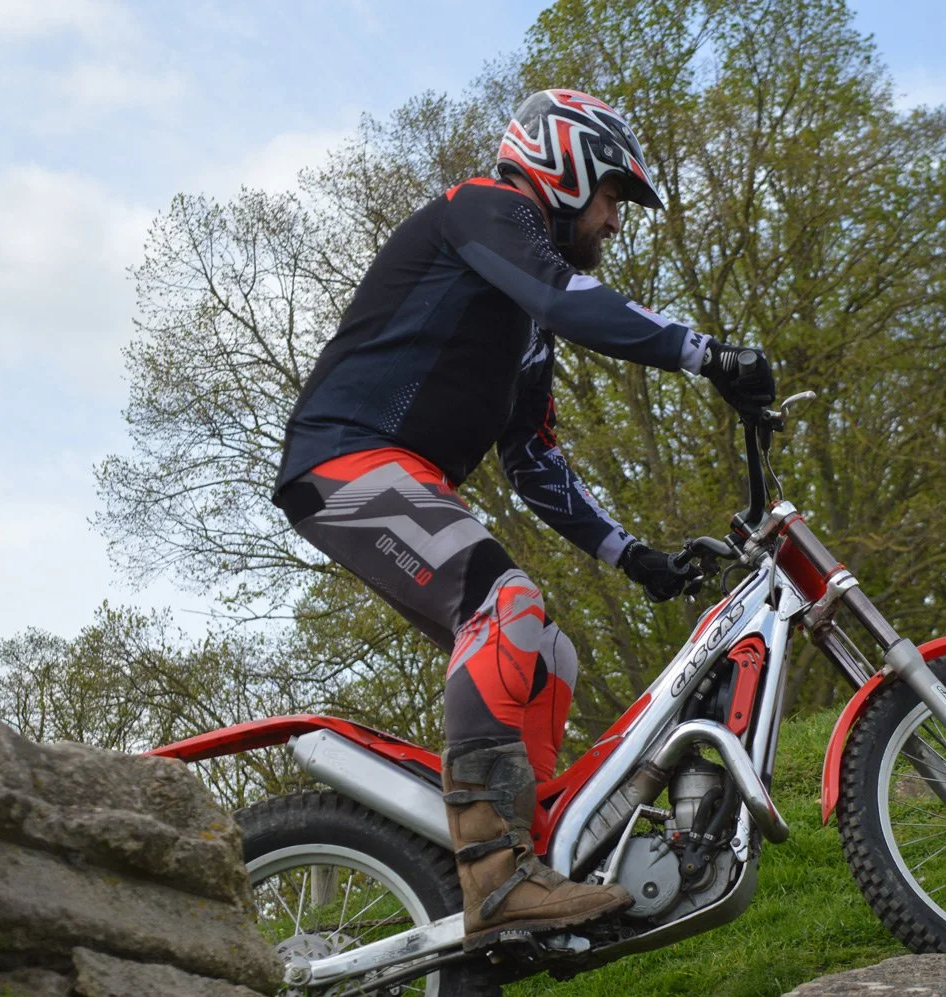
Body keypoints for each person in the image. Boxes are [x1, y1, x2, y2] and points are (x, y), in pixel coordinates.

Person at [271, 88, 775, 951]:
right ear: (565, 167)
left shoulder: (523, 319)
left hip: (401, 472)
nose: (614, 221)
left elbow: (532, 457)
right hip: (345, 457)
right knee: (504, 608)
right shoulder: (484, 210)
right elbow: (570, 297)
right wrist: (706, 352)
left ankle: (530, 860)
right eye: (612, 196)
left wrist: (634, 556)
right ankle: (496, 877)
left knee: (546, 653)